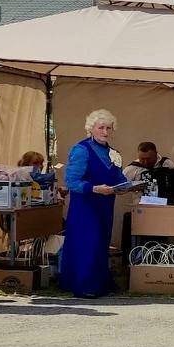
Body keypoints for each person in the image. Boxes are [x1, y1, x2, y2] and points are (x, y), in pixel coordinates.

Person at [59, 109, 130, 297]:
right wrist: (94, 188)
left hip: (105, 205)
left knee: (101, 242)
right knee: (87, 241)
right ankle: (84, 285)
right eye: (101, 128)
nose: (105, 132)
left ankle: (100, 282)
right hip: (85, 205)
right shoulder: (81, 149)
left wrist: (127, 186)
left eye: (109, 128)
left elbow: (119, 177)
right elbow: (72, 182)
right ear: (91, 128)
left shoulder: (114, 153)